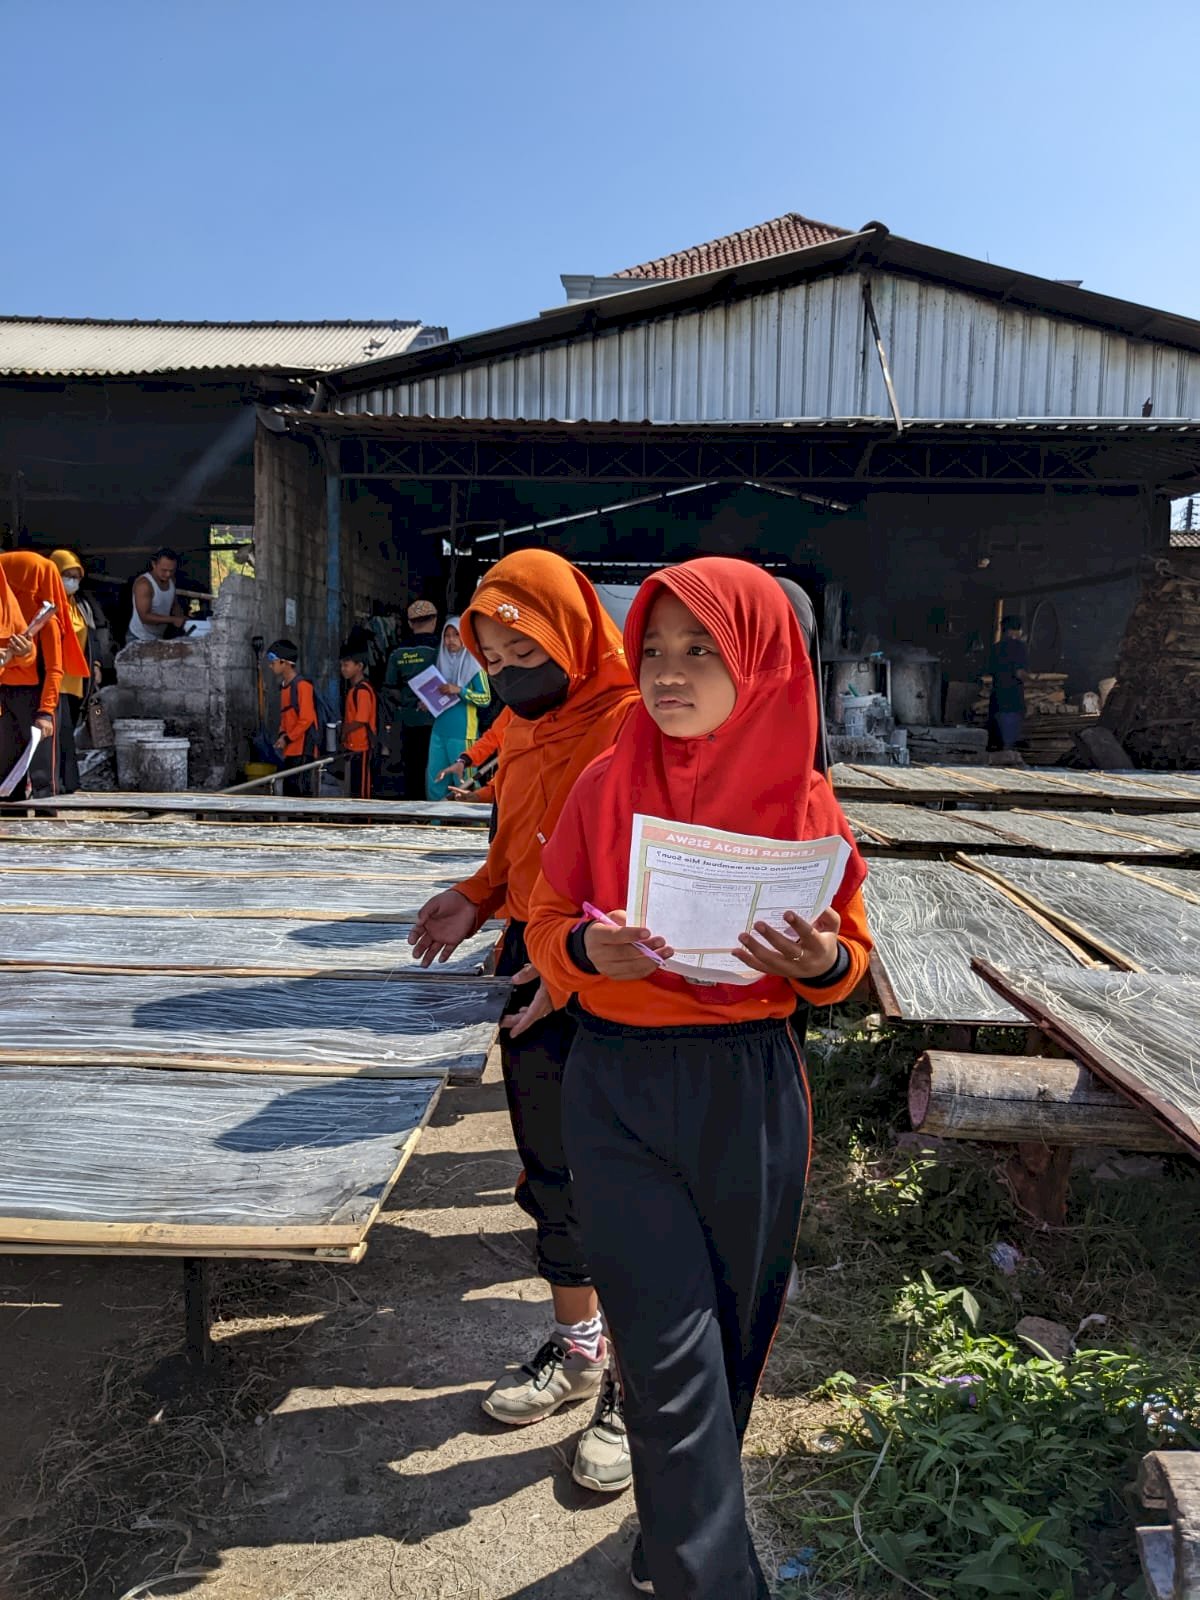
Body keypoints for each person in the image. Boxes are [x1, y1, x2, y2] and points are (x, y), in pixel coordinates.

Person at [524, 557, 873, 1599]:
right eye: (654, 651)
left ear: (764, 665)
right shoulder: (605, 779)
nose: (667, 673)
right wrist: (590, 958)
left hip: (753, 1092)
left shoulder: (805, 799)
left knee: (732, 1339)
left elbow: (848, 956)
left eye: (700, 651)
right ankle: (712, 1579)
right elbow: (546, 921)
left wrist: (817, 965)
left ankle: (671, 1544)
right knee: (666, 1354)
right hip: (620, 1091)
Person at [408, 549, 641, 1494]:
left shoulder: (636, 725)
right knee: (551, 1166)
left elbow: (638, 871)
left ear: (573, 636)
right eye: (492, 658)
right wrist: (475, 894)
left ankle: (638, 1382)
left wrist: (577, 976)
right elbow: (522, 845)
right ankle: (579, 1344)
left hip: (618, 979)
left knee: (629, 1182)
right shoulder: (524, 726)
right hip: (531, 964)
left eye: (522, 651)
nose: (507, 673)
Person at [0, 551, 89, 799]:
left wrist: (46, 712)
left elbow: (54, 669)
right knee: (8, 772)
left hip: (36, 699)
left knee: (42, 776)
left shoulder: (46, 620)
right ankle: (12, 829)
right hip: (6, 698)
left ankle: (46, 823)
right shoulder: (4, 612)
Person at [48, 549, 102, 794]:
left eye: (76, 576)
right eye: (66, 575)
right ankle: (55, 783)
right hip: (53, 678)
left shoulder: (80, 605)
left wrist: (97, 666)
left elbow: (92, 637)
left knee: (68, 733)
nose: (72, 581)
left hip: (76, 680)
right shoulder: (46, 603)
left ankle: (69, 783)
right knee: (56, 734)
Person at [425, 616, 491, 800]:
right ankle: (435, 823)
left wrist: (460, 690)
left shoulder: (476, 665)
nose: (451, 640)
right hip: (439, 731)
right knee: (435, 780)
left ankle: (474, 823)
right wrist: (427, 702)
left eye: (456, 635)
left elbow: (486, 698)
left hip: (463, 734)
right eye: (447, 636)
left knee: (465, 782)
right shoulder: (440, 664)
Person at [384, 598, 440, 799]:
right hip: (436, 720)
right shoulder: (441, 651)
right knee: (434, 765)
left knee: (411, 767)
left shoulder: (398, 653)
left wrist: (407, 702)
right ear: (434, 621)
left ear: (410, 623)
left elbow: (391, 688)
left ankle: (414, 811)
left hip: (408, 719)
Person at [266, 640, 320, 796]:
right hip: (291, 748)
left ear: (285, 663)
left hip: (304, 748)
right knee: (290, 790)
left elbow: (307, 718)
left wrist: (288, 738)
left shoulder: (303, 686)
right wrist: (282, 735)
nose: (271, 666)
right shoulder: (284, 687)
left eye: (273, 661)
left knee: (301, 792)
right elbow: (286, 716)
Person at [986, 615, 1029, 753]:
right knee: (1008, 741)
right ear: (1017, 630)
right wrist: (1032, 680)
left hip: (997, 698)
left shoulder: (995, 648)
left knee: (997, 739)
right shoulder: (1019, 648)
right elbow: (1019, 673)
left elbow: (989, 670)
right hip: (1013, 698)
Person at [339, 647, 378, 798]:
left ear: (359, 666)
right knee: (355, 786)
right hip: (355, 746)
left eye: (346, 665)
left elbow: (361, 719)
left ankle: (365, 820)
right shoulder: (354, 689)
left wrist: (344, 731)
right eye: (342, 665)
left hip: (363, 746)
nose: (343, 669)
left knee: (362, 789)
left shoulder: (362, 691)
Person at [128, 547, 187, 643]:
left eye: (171, 570)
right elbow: (145, 617)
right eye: (164, 570)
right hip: (139, 637)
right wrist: (173, 620)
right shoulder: (144, 585)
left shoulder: (171, 580)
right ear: (154, 564)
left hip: (158, 637)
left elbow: (174, 604)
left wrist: (181, 618)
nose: (168, 574)